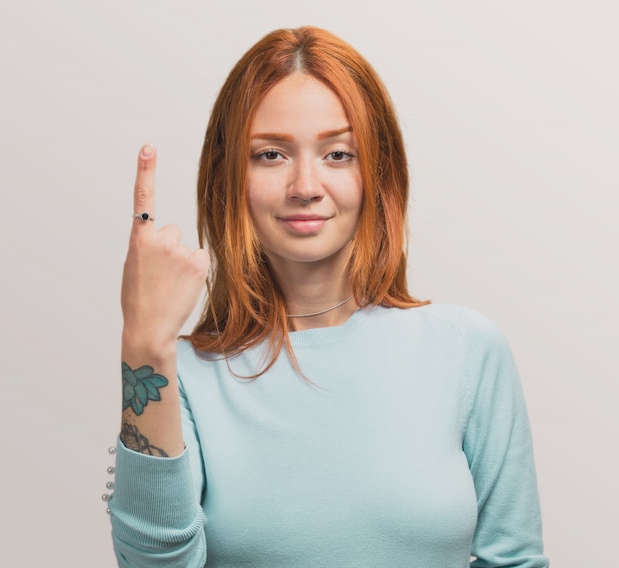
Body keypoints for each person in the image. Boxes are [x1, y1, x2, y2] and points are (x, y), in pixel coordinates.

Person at [108, 26, 548, 567]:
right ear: (230, 176)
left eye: (338, 154)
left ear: (376, 173)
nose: (306, 186)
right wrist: (144, 343)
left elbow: (515, 561)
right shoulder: (186, 379)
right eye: (271, 154)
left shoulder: (468, 350)